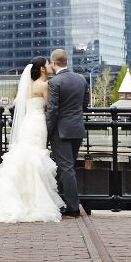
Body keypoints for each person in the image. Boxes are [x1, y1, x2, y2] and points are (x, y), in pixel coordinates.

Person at [0, 56, 64, 223]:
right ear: (42, 68)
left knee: (24, 157)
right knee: (35, 159)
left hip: (27, 124)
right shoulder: (44, 85)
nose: (50, 65)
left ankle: (19, 197)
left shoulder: (27, 86)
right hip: (38, 123)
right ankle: (34, 200)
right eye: (47, 64)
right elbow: (51, 107)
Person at [46, 48, 89, 217]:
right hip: (77, 128)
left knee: (66, 168)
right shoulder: (81, 79)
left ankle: (73, 207)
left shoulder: (54, 82)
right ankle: (61, 200)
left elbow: (52, 110)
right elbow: (85, 105)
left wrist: (47, 131)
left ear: (53, 63)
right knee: (68, 168)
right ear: (66, 61)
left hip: (61, 131)